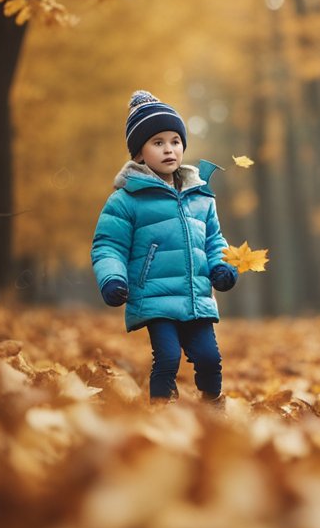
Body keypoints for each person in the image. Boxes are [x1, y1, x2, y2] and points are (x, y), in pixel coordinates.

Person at [91, 90, 238, 405]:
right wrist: (112, 279)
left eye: (175, 141)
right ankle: (160, 409)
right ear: (140, 154)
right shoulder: (127, 199)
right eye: (158, 142)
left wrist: (223, 266)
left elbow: (214, 240)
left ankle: (212, 406)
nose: (169, 149)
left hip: (197, 296)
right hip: (154, 296)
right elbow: (108, 245)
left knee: (210, 358)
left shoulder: (201, 197)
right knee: (168, 358)